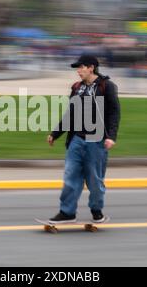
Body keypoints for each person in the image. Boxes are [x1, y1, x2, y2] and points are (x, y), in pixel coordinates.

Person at [47, 55, 121, 223]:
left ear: (91, 68)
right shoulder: (77, 87)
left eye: (81, 68)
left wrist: (111, 136)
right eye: (77, 68)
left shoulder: (106, 86)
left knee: (94, 180)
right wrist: (55, 133)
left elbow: (114, 114)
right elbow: (70, 114)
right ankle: (67, 212)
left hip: (97, 140)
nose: (78, 71)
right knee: (70, 176)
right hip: (76, 140)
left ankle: (96, 210)